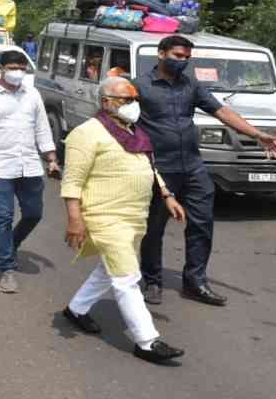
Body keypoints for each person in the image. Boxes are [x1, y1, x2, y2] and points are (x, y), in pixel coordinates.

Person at [136, 35, 276, 308]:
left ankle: (195, 281)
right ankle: (152, 280)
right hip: (159, 169)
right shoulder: (140, 86)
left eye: (187, 58)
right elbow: (118, 120)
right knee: (154, 227)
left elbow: (222, 112)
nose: (183, 62)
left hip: (193, 166)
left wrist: (257, 134)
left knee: (202, 223)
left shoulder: (191, 85)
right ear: (161, 54)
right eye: (178, 56)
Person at [61, 77, 187, 364]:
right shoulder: (87, 133)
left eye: (135, 100)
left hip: (134, 216)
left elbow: (150, 167)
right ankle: (147, 341)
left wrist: (167, 195)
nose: (133, 106)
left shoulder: (134, 132)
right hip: (105, 216)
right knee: (127, 277)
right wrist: (74, 219)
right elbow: (72, 181)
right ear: (106, 102)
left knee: (108, 270)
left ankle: (76, 310)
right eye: (126, 100)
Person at [0, 49, 59, 293]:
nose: (17, 72)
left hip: (29, 165)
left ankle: (11, 244)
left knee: (34, 213)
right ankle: (6, 268)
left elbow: (42, 129)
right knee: (3, 217)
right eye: (13, 67)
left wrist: (51, 158)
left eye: (22, 68)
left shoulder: (32, 95)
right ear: (1, 68)